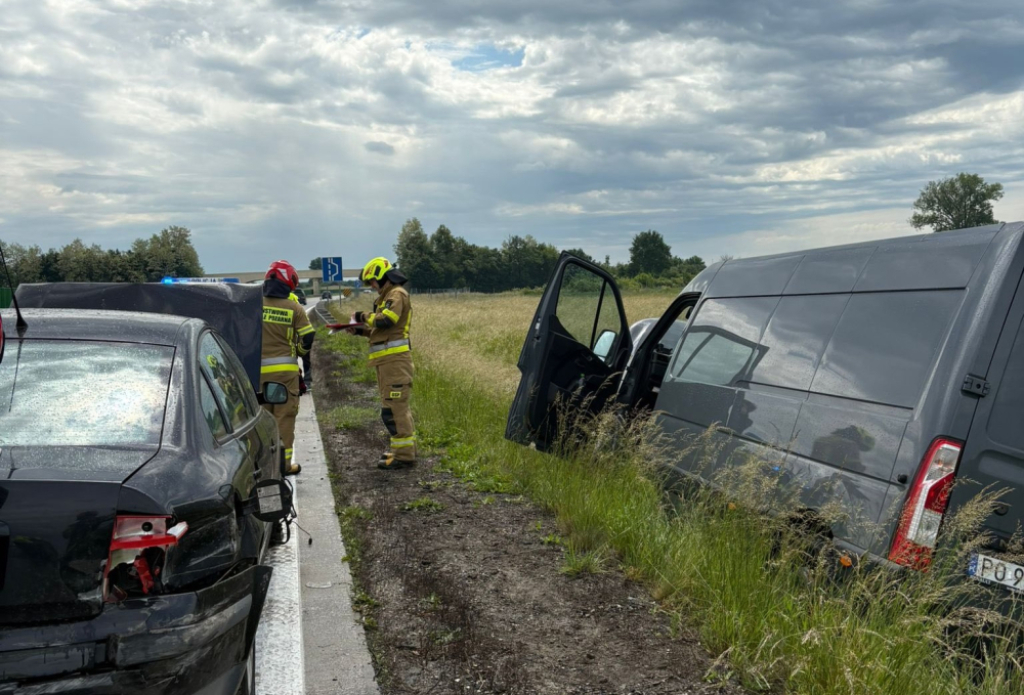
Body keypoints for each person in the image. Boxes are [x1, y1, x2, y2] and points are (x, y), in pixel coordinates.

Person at [350, 257, 416, 469]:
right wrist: (360, 330)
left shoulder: (396, 294)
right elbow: (381, 332)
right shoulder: (388, 296)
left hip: (395, 363)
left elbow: (386, 320)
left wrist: (363, 316)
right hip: (388, 363)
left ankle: (404, 456)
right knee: (391, 408)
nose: (372, 286)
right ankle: (400, 450)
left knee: (394, 410)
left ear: (381, 277)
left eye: (372, 282)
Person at [262, 260, 315, 475]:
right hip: (285, 375)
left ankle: (264, 468)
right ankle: (283, 466)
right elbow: (308, 335)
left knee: (262, 420)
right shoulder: (294, 308)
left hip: (256, 375)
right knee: (284, 418)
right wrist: (300, 352)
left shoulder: (254, 304)